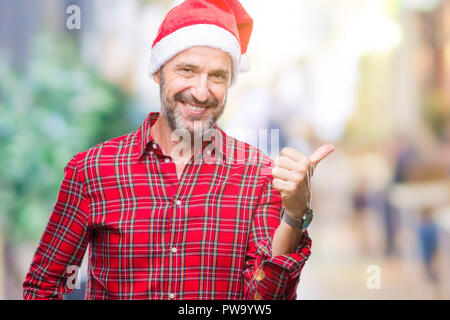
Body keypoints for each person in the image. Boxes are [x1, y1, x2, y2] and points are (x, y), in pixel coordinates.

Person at [23, 0, 334, 300]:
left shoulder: (258, 174)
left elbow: (266, 298)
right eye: (187, 70)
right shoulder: (93, 170)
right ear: (158, 72)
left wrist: (293, 215)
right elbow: (42, 287)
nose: (201, 92)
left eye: (217, 76)